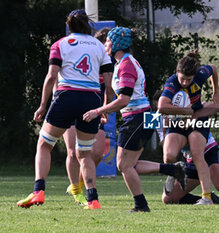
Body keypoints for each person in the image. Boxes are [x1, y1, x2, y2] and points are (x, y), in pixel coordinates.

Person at [17, 9, 114, 210]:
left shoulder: (61, 44)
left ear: (69, 25)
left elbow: (52, 76)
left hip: (66, 97)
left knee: (44, 144)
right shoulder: (99, 47)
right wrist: (104, 108)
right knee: (84, 154)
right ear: (88, 24)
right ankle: (93, 199)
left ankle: (38, 191)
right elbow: (109, 84)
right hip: (91, 100)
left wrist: (43, 105)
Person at [83, 26, 155, 212]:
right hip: (143, 115)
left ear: (116, 44)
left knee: (123, 164)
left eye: (107, 41)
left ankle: (141, 205)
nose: (105, 44)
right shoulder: (122, 63)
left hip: (138, 117)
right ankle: (172, 170)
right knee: (129, 164)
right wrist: (106, 108)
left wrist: (98, 111)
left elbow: (124, 100)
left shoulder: (125, 65)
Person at [158, 52, 219, 205]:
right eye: (182, 79)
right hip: (179, 120)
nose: (185, 82)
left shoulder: (201, 74)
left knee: (197, 154)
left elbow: (213, 68)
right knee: (168, 156)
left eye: (189, 79)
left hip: (197, 119)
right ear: (176, 73)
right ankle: (175, 170)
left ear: (195, 75)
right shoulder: (172, 83)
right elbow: (162, 106)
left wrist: (216, 92)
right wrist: (184, 111)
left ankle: (207, 197)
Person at [64, 27, 113, 206]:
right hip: (70, 104)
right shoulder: (82, 54)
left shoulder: (110, 62)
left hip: (93, 110)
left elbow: (109, 88)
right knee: (72, 150)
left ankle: (80, 183)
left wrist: (104, 109)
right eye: (108, 43)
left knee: (97, 152)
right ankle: (77, 191)